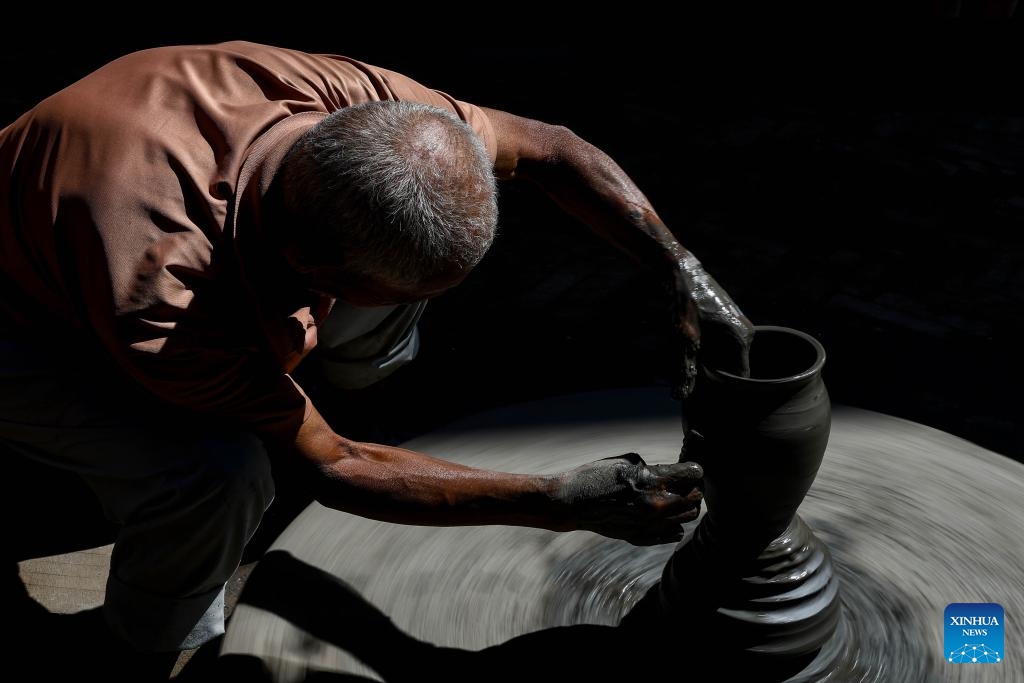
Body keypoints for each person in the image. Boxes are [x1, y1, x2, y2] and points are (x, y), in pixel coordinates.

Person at [0, 41, 752, 677]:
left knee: (394, 272)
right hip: (30, 322)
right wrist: (555, 500)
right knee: (219, 476)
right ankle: (148, 649)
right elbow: (333, 467)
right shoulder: (165, 300)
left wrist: (679, 272)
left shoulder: (368, 112)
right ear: (304, 271)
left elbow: (549, 146)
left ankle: (358, 385)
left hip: (147, 221)